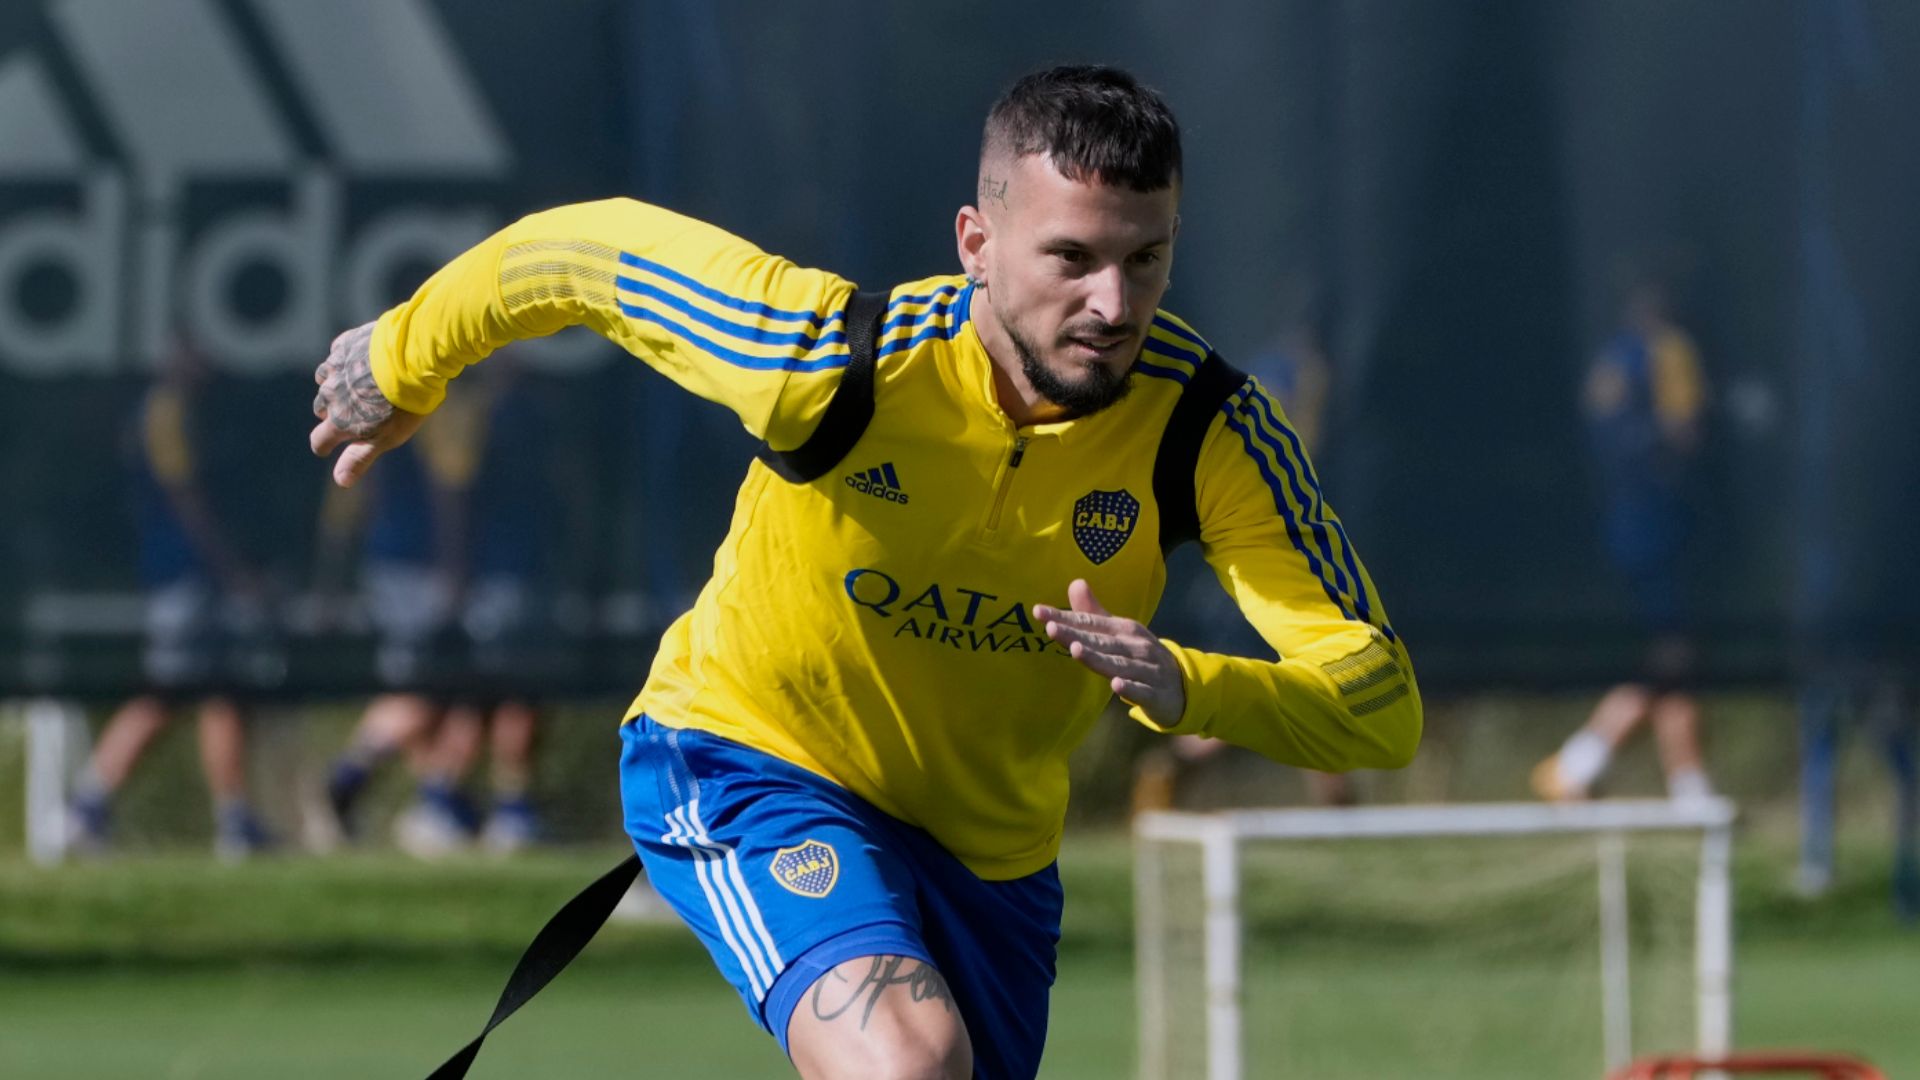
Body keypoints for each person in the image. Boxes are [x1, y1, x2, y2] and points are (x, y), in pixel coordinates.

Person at [309, 65, 1420, 1080]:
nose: (1114, 307)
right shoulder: (828, 358)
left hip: (990, 862)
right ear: (976, 243)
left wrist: (1196, 687)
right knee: (908, 1065)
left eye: (1147, 259)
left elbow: (1379, 702)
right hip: (750, 756)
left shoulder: (1211, 431)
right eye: (1071, 259)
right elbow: (590, 251)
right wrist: (403, 356)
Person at [1134, 279, 1354, 812]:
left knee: (1325, 685)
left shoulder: (1321, 374)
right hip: (1268, 560)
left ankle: (1341, 818)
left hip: (1301, 549)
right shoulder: (1280, 375)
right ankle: (1172, 766)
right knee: (1278, 693)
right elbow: (1271, 454)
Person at [70, 340, 278, 861]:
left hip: (193, 576)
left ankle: (235, 820)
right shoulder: (165, 411)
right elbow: (185, 501)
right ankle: (86, 807)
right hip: (182, 576)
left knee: (221, 691)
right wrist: (230, 570)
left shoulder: (183, 412)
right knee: (166, 694)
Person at [1533, 278, 1712, 804]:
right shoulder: (1669, 350)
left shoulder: (1609, 360)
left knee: (1670, 655)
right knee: (1671, 654)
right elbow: (1687, 430)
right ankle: (1587, 765)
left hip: (1618, 524)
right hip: (1660, 521)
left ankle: (1679, 784)